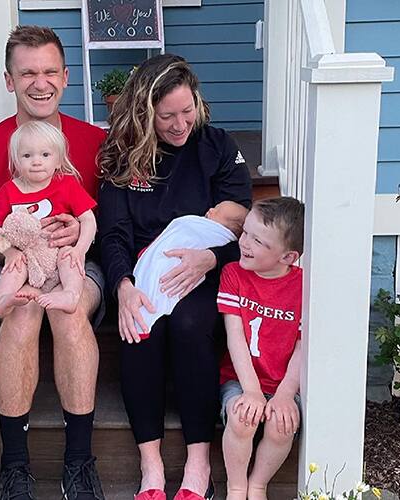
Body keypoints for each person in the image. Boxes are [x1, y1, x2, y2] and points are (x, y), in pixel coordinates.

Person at [97, 54, 252, 500]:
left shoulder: (218, 147)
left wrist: (211, 257)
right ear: (145, 112)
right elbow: (114, 232)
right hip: (143, 268)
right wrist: (122, 287)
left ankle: (198, 462)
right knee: (139, 326)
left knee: (189, 325)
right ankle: (151, 466)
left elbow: (244, 229)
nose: (180, 124)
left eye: (188, 112)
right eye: (167, 116)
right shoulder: (123, 155)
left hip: (206, 269)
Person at [0, 25, 107, 500]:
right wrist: (9, 247)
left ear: (66, 77)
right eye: (28, 72)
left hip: (74, 263)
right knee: (25, 310)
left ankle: (79, 463)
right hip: (9, 270)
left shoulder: (93, 143)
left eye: (49, 71)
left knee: (65, 312)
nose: (40, 82)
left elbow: (107, 222)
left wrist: (80, 234)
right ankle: (14, 466)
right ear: (9, 80)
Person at [217, 197, 304, 500]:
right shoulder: (234, 274)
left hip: (283, 382)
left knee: (282, 425)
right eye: (246, 233)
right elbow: (235, 336)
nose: (245, 243)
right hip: (240, 379)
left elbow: (301, 345)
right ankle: (237, 487)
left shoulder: (304, 287)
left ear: (287, 257)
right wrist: (251, 391)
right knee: (242, 417)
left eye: (259, 241)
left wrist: (284, 394)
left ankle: (258, 485)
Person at [0, 121, 97, 316]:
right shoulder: (8, 192)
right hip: (27, 255)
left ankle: (70, 295)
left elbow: (88, 219)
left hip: (57, 250)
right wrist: (9, 252)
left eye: (45, 155)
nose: (36, 161)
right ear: (16, 160)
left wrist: (80, 250)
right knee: (13, 268)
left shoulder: (66, 185)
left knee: (70, 261)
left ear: (58, 160)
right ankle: (3, 298)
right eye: (27, 155)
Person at [132, 200, 249, 337]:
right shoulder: (194, 222)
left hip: (198, 275)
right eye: (214, 207)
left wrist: (213, 255)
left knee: (186, 318)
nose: (210, 210)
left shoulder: (219, 235)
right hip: (169, 260)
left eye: (217, 211)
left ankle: (151, 308)